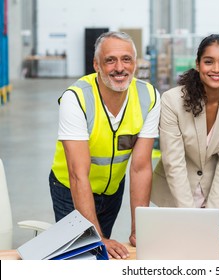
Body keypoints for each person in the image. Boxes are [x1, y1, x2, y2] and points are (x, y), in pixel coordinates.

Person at [49, 31, 160, 258]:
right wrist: (97, 238)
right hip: (70, 189)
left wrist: (140, 228)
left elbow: (140, 168)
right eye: (110, 60)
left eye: (126, 59)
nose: (119, 68)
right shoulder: (77, 98)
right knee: (82, 256)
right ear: (96, 65)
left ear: (135, 63)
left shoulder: (148, 96)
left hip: (112, 191)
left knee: (104, 258)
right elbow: (78, 174)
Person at [150, 34, 219, 232]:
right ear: (197, 64)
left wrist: (212, 218)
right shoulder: (172, 101)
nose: (217, 69)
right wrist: (191, 218)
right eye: (209, 62)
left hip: (213, 197)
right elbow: (173, 162)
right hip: (174, 198)